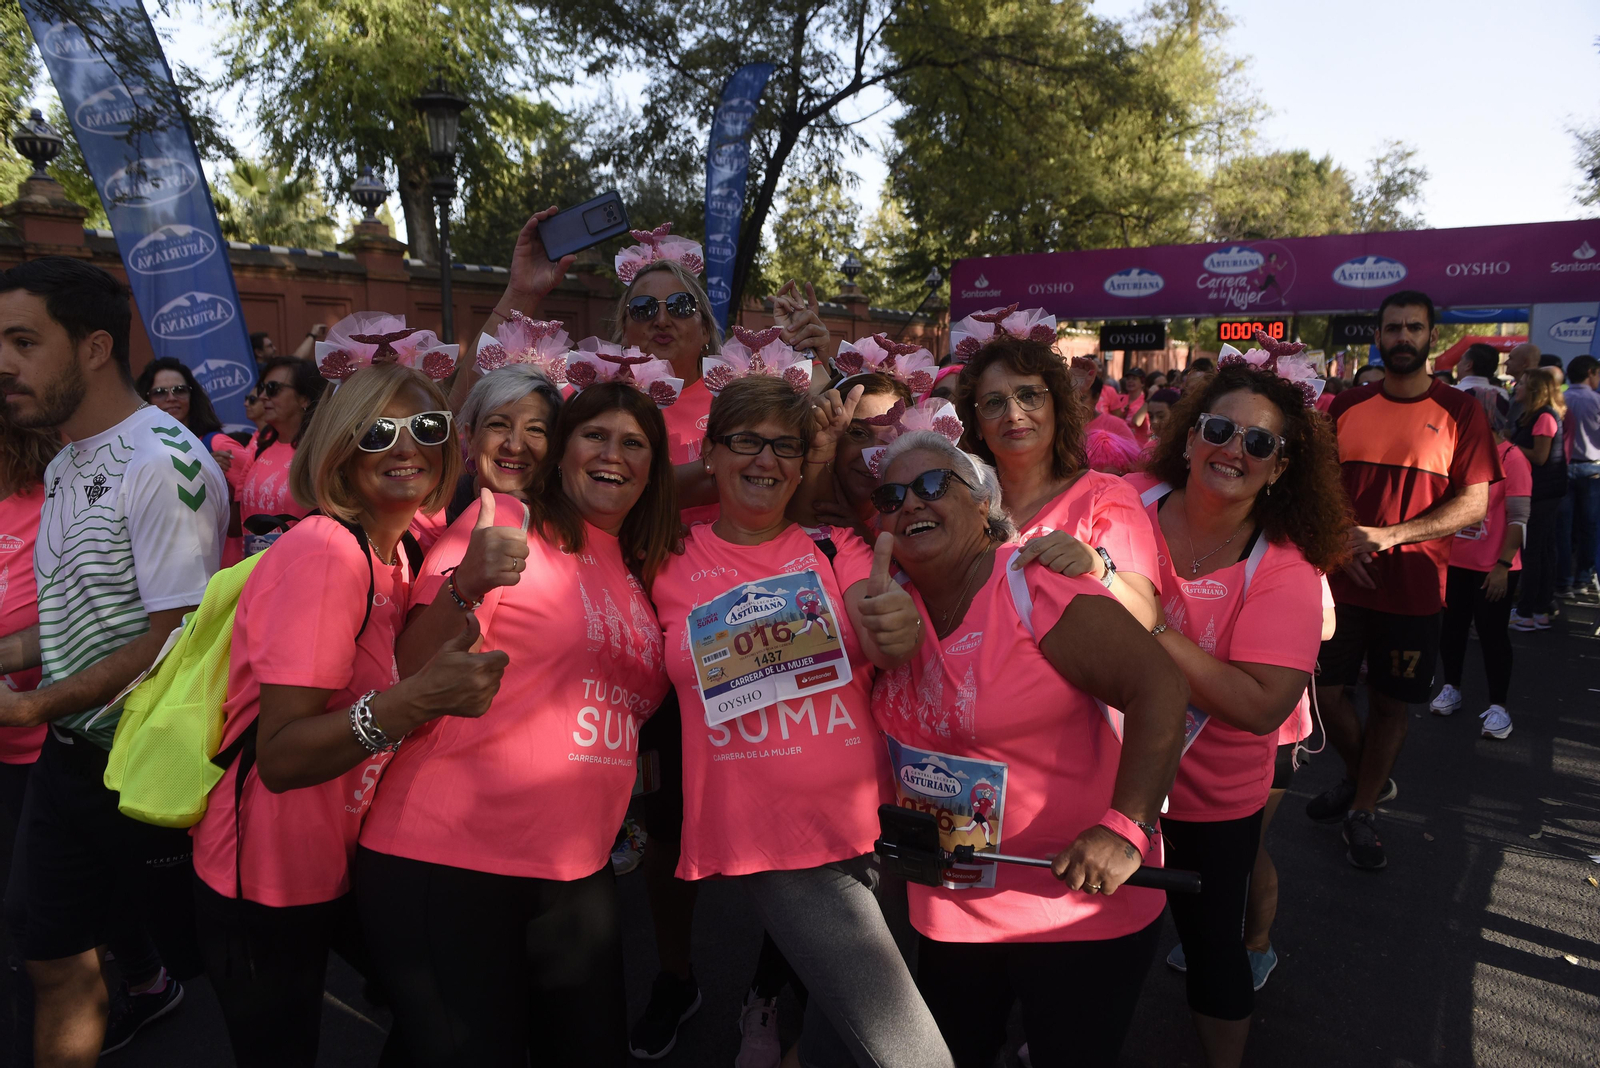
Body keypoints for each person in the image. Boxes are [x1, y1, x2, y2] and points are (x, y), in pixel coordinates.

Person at [357, 375, 681, 1067]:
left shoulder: (631, 568)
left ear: (653, 467)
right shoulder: (501, 522)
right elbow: (406, 670)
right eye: (594, 435)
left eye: (633, 443)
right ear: (564, 453)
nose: (612, 454)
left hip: (575, 868)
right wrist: (466, 584)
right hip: (449, 856)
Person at [189, 363, 504, 1068]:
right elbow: (283, 757)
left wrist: (471, 582)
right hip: (265, 875)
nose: (405, 447)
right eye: (376, 432)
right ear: (338, 446)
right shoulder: (326, 551)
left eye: (424, 429)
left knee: (450, 1009)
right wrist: (416, 702)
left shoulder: (403, 548)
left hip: (349, 856)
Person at [647, 374, 952, 1068]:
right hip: (778, 846)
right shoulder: (663, 557)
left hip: (879, 825)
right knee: (913, 1055)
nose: (766, 461)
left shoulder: (836, 548)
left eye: (785, 447)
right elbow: (619, 488)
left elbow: (885, 640)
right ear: (711, 452)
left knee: (840, 1039)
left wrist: (893, 626)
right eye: (746, 442)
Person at [869, 431, 1188, 1068]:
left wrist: (1125, 830)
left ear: (984, 504)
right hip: (948, 905)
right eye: (891, 494)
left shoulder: (1032, 586)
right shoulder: (885, 599)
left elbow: (1159, 686)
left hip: (1072, 907)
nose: (910, 503)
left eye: (933, 485)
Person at [0, 257, 228, 1067]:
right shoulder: (64, 459)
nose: (2, 363)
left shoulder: (164, 464)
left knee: (233, 978)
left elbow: (175, 637)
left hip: (144, 776)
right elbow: (78, 618)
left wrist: (33, 706)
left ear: (95, 347)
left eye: (23, 341)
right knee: (49, 953)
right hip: (71, 761)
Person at [1127, 341, 1346, 1068]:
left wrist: (1150, 624)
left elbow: (1257, 705)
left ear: (1281, 467)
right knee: (1075, 932)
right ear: (1191, 435)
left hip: (1208, 799)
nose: (1233, 450)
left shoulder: (1283, 568)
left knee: (1211, 949)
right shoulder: (1119, 505)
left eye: (1258, 442)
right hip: (1092, 769)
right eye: (1219, 430)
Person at [1308, 290, 1500, 872]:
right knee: (1324, 695)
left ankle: (1363, 808)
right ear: (1379, 335)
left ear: (1431, 339)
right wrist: (1341, 539)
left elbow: (1474, 504)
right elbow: (1313, 490)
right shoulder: (1344, 406)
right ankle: (1363, 773)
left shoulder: (1462, 412)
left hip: (1415, 588)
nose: (1402, 338)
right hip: (1340, 584)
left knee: (1393, 704)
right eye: (1392, 328)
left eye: (1413, 328)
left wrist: (1388, 536)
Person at [956, 330, 1162, 629]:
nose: (1013, 414)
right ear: (976, 425)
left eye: (1029, 396)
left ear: (1058, 407)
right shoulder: (961, 503)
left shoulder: (1107, 496)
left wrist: (1098, 568)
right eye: (993, 402)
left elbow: (1145, 618)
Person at [1431, 388, 1529, 737]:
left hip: (1494, 567)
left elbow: (1518, 519)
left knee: (1492, 636)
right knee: (1453, 629)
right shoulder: (1459, 453)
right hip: (1456, 561)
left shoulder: (1513, 458)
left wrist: (1503, 565)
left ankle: (1499, 708)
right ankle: (1451, 687)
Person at [444, 362, 564, 524]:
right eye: (498, 424)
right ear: (471, 438)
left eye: (535, 429)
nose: (514, 447)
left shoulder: (571, 523)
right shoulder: (437, 508)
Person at [235, 356, 327, 553]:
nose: (262, 397)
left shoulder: (320, 452)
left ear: (304, 398)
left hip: (299, 571)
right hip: (252, 573)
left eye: (273, 389)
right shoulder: (259, 449)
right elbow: (237, 521)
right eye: (262, 388)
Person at [1508, 368, 1566, 631]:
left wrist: (1508, 444)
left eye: (1520, 383)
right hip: (1544, 491)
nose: (1515, 386)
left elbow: (1540, 457)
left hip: (1542, 492)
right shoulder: (1535, 415)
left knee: (1533, 553)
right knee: (1541, 551)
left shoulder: (1544, 416)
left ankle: (1527, 611)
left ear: (1533, 389)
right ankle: (1540, 609)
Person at [1561, 354, 1600, 599]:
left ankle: (1563, 580)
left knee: (1563, 529)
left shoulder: (1560, 399)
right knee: (1589, 528)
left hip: (1563, 469)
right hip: (1592, 470)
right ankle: (1582, 579)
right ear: (1590, 373)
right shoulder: (1596, 401)